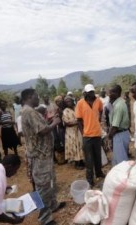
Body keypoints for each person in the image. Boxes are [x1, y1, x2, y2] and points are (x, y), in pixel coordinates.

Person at [21, 88, 65, 225]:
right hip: (39, 156)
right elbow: (43, 130)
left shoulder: (29, 111)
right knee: (42, 187)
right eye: (36, 96)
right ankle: (45, 218)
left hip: (44, 154)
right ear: (29, 97)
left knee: (49, 181)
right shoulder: (29, 112)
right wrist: (55, 123)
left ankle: (52, 205)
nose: (38, 99)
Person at [75, 84, 105, 187]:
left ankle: (99, 173)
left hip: (97, 133)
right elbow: (79, 120)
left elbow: (101, 110)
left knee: (98, 156)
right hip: (87, 136)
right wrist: (83, 132)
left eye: (92, 92)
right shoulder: (80, 103)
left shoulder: (98, 101)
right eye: (89, 92)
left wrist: (99, 118)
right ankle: (89, 179)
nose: (91, 94)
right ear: (85, 93)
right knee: (89, 159)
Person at [108, 84, 130, 166]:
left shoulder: (119, 106)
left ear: (116, 93)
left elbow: (115, 126)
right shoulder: (117, 104)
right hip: (120, 134)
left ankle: (124, 178)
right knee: (117, 159)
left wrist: (109, 137)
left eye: (110, 93)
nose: (109, 94)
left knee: (121, 162)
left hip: (119, 134)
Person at [62, 96, 84, 169]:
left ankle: (81, 161)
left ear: (72, 100)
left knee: (80, 145)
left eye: (70, 101)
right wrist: (78, 122)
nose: (69, 102)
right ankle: (77, 164)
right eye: (67, 102)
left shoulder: (76, 107)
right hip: (71, 131)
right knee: (74, 146)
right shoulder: (65, 111)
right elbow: (67, 123)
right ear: (65, 103)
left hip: (78, 130)